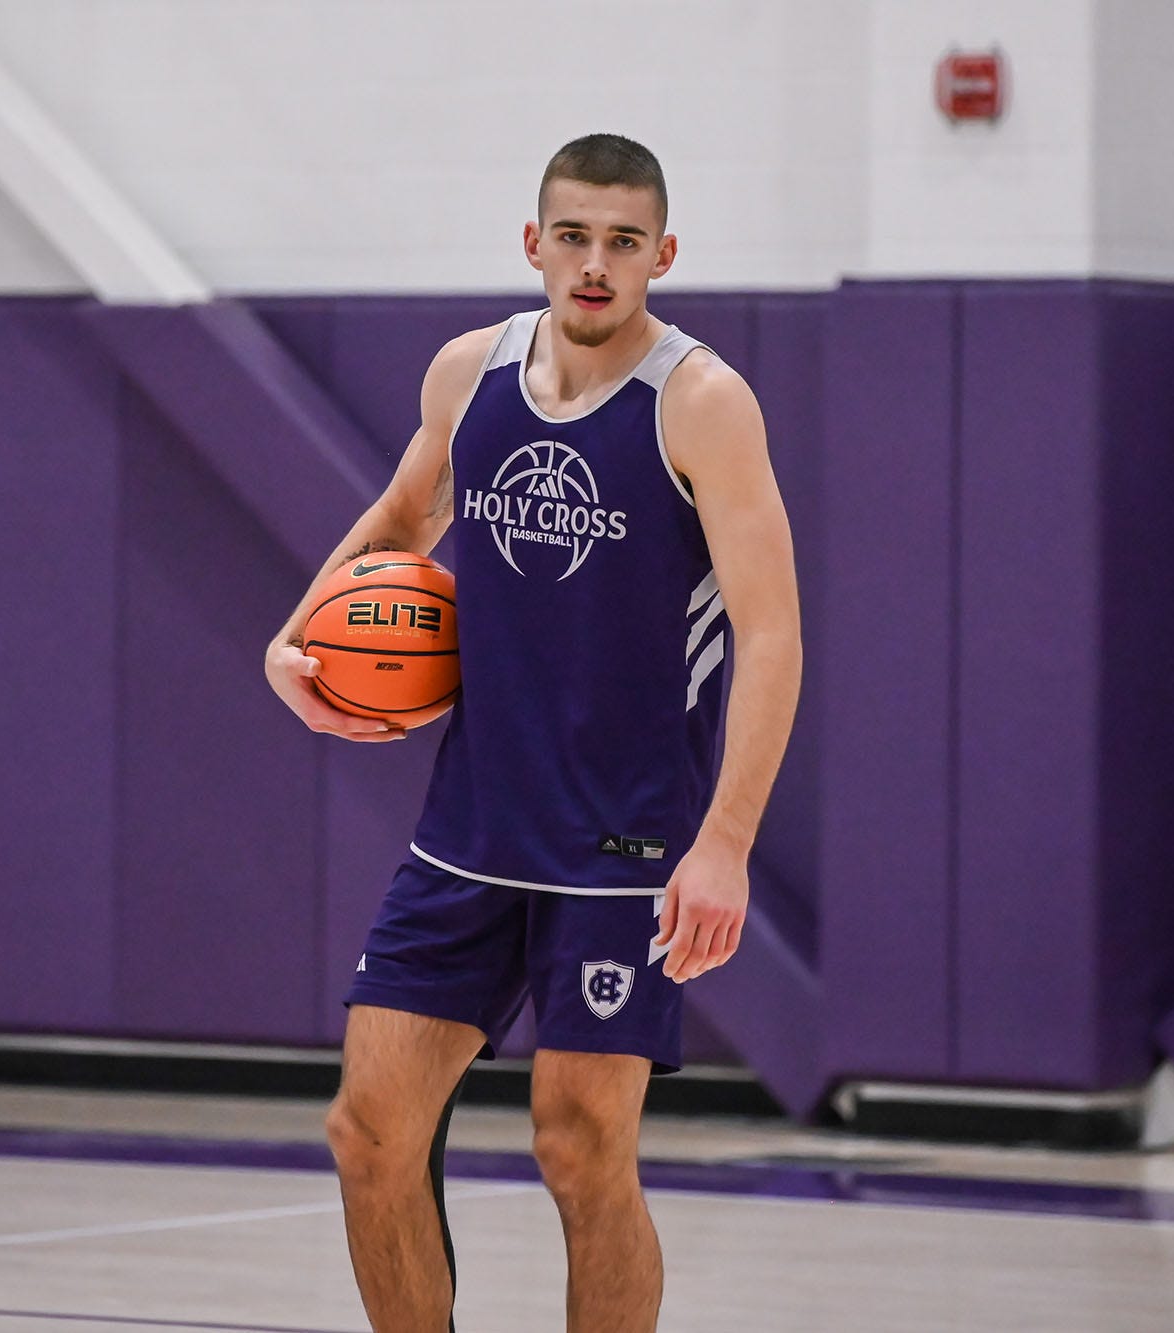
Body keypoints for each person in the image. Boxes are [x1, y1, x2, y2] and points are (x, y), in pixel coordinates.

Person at [264, 133, 801, 1333]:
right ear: (532, 244)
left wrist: (722, 845)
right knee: (367, 1132)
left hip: (623, 843)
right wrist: (290, 636)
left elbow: (771, 637)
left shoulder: (701, 403)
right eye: (573, 236)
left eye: (622, 241)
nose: (595, 264)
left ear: (662, 254)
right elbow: (405, 514)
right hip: (470, 827)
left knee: (577, 1147)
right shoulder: (469, 372)